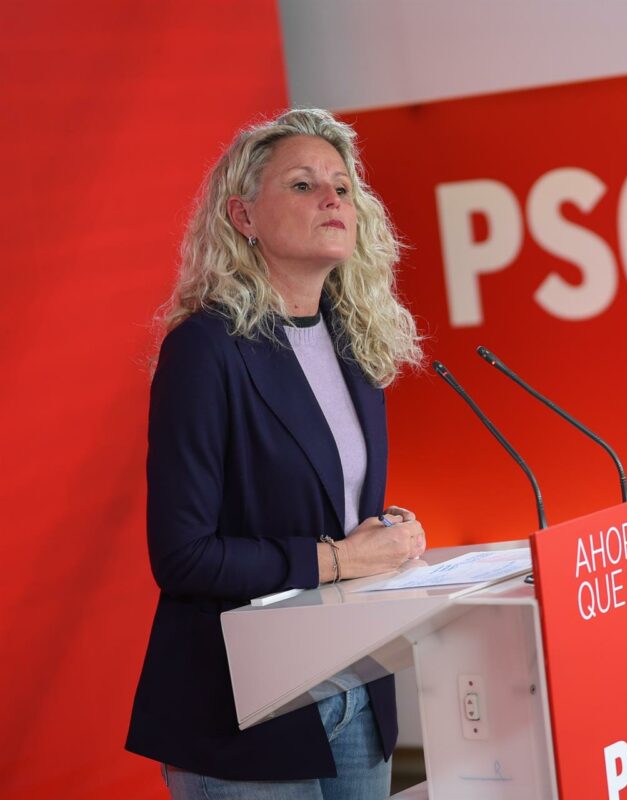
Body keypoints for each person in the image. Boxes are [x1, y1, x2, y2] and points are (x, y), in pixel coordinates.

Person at [126, 108, 426, 799]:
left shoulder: (355, 342)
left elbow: (327, 506)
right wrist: (344, 558)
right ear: (244, 216)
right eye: (301, 185)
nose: (331, 199)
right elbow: (184, 555)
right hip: (246, 711)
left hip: (357, 690)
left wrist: (384, 536)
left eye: (342, 187)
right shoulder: (205, 349)